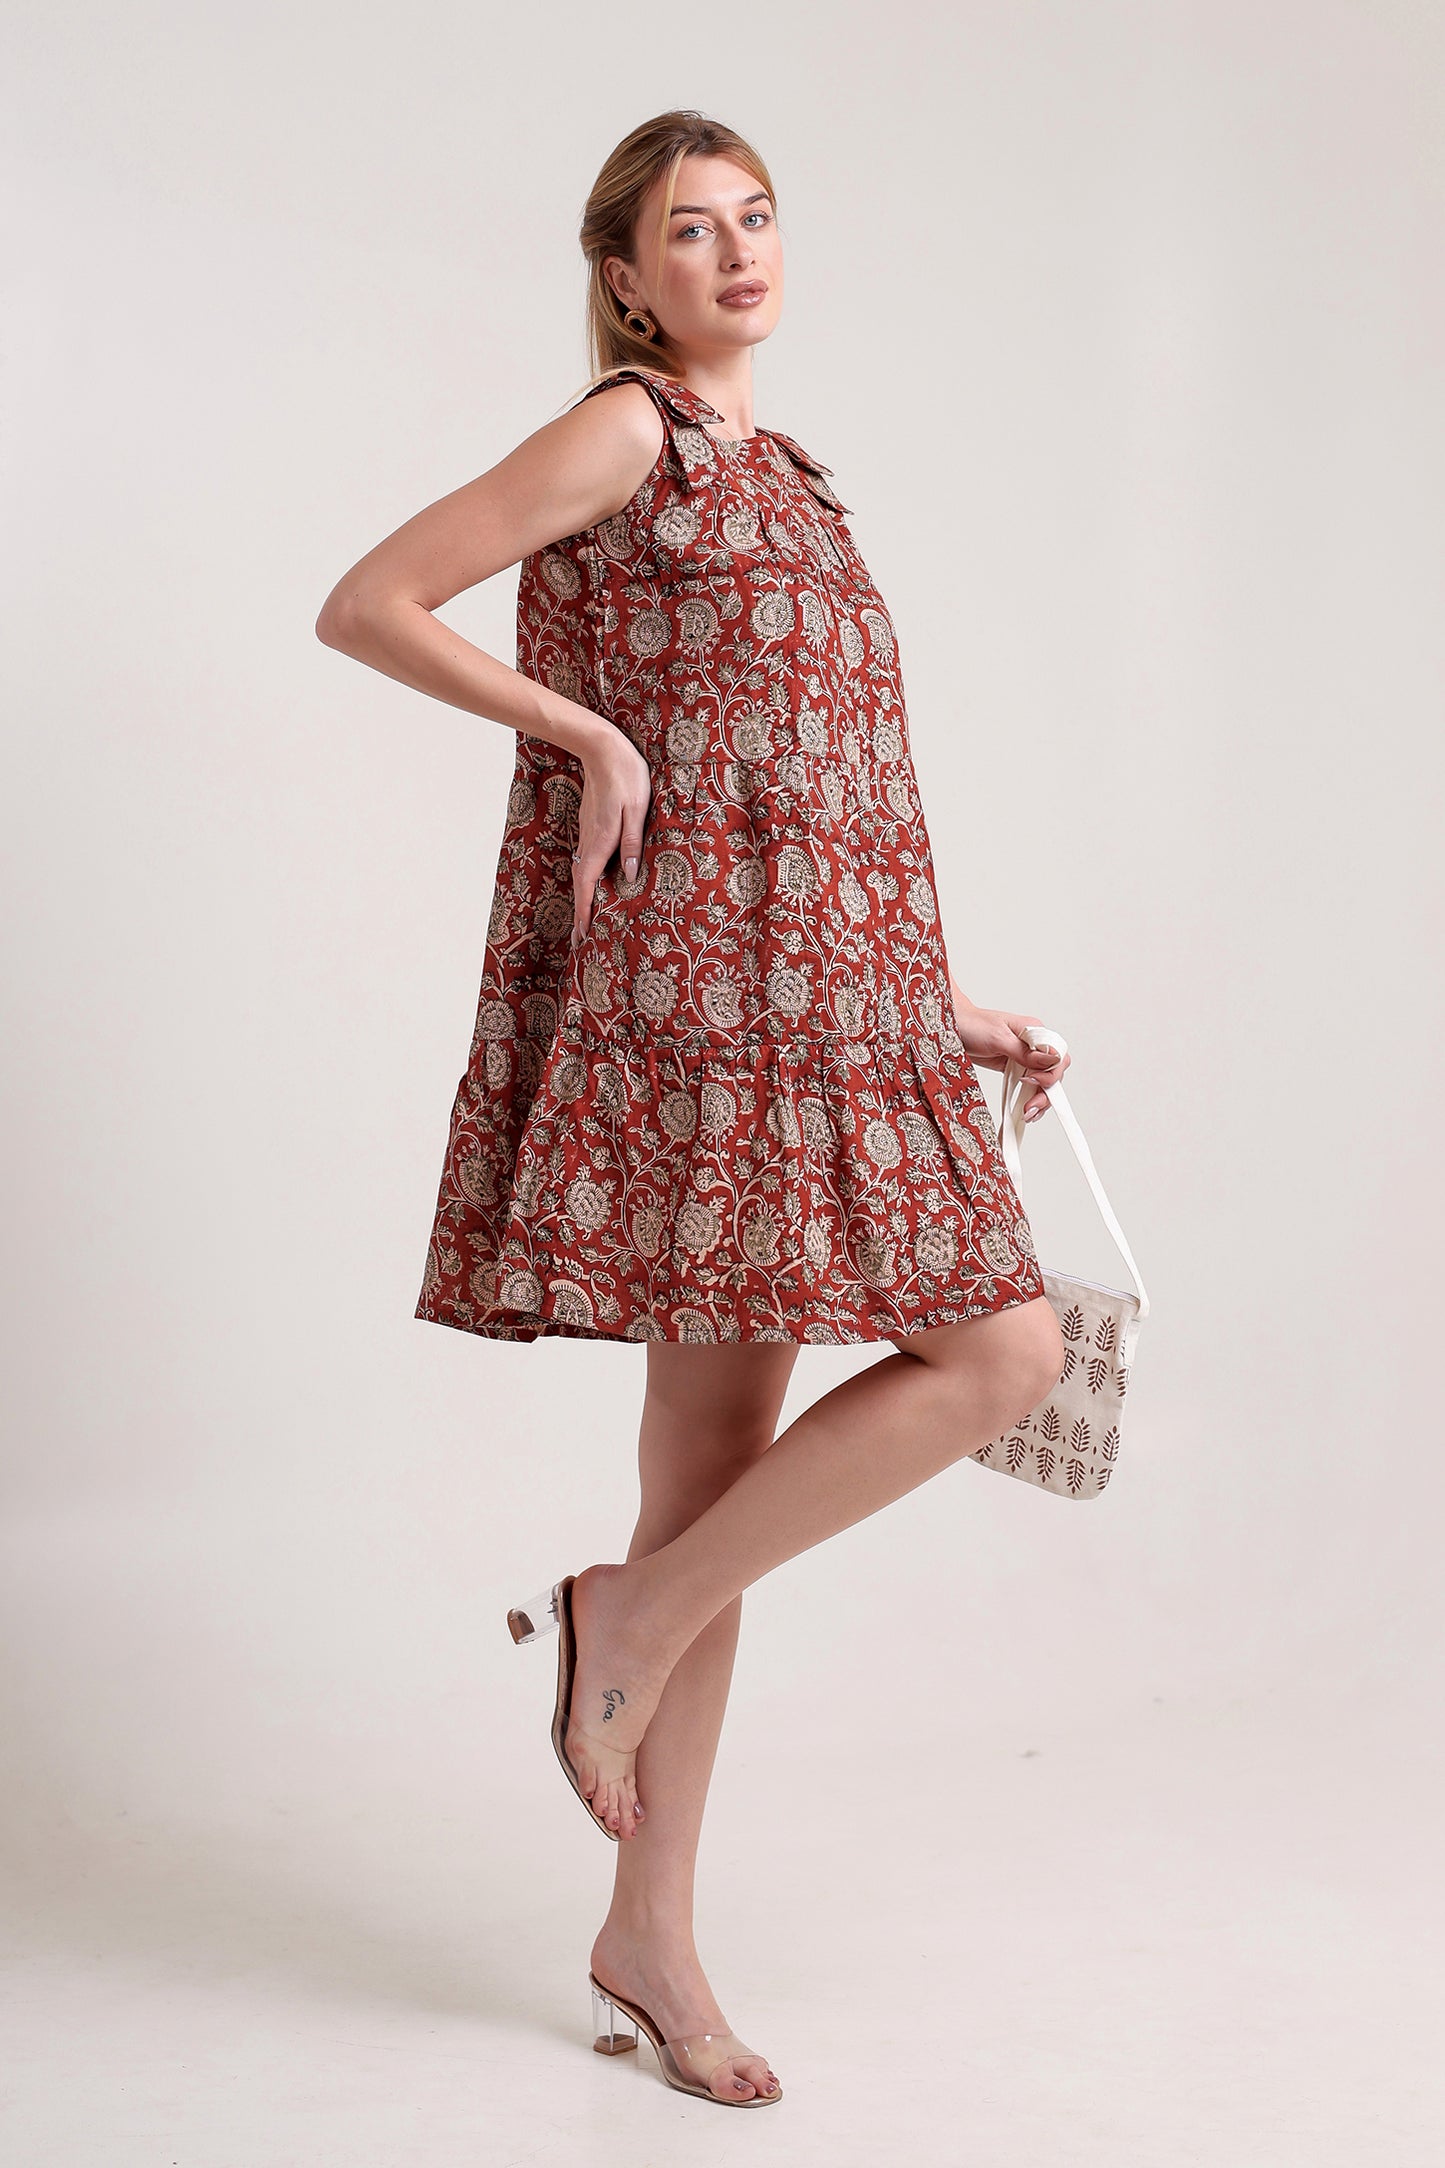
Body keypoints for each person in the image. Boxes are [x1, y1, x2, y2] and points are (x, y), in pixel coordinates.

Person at [316, 108, 1068, 2111]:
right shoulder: (630, 430)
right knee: (942, 1371)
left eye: (758, 218)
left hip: (827, 1001)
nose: (736, 253)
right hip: (699, 1020)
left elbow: (820, 785)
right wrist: (584, 735)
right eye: (689, 230)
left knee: (937, 1377)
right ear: (628, 273)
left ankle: (631, 1776)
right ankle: (639, 1745)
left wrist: (945, 997)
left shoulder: (803, 483)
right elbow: (372, 598)